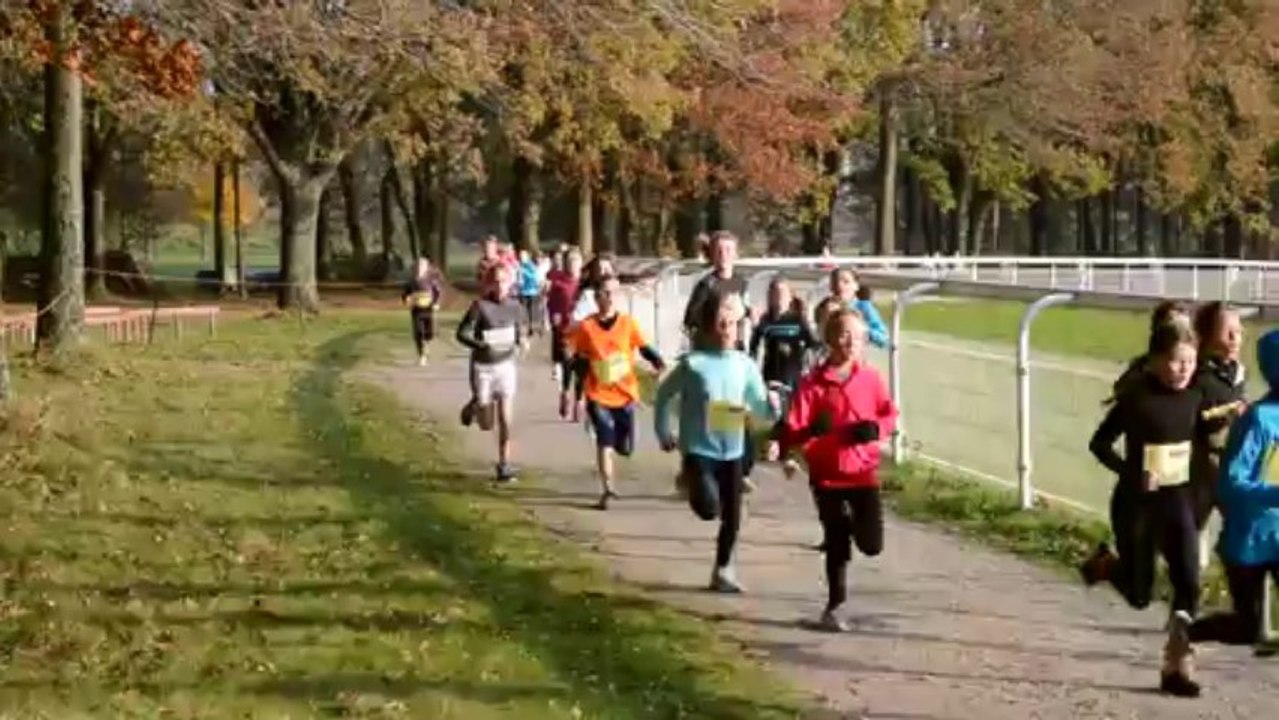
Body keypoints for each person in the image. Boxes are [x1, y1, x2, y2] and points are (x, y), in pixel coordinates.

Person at [1080, 321, 1228, 698]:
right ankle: (1106, 565)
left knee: (1189, 586)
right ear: (1156, 360)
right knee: (1140, 595)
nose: (1183, 370)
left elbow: (1210, 430)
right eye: (1176, 361)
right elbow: (1099, 444)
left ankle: (1176, 666)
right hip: (1136, 504)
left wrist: (1233, 418)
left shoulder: (1198, 395)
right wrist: (1132, 473)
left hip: (1177, 503)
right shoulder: (1135, 397)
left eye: (1190, 362)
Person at [778, 308, 896, 631]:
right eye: (843, 334)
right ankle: (835, 605)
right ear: (829, 338)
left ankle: (857, 527)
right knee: (836, 538)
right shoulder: (813, 384)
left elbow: (889, 414)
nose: (850, 342)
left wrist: (877, 429)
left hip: (863, 474)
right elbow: (792, 428)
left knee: (872, 544)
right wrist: (811, 431)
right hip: (827, 476)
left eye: (857, 337)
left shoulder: (870, 379)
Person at [654, 293, 777, 593]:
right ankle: (690, 480)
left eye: (732, 324)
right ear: (709, 327)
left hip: (731, 449)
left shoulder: (744, 365)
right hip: (698, 448)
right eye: (720, 324)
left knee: (733, 515)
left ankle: (723, 570)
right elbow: (663, 397)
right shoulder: (693, 364)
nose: (726, 330)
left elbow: (759, 406)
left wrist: (773, 407)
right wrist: (663, 431)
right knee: (709, 508)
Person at [1182, 328, 1279, 690]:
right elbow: (1231, 483)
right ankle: (1186, 630)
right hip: (1249, 540)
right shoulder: (1257, 420)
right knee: (1246, 629)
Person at [569, 275, 666, 509]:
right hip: (598, 393)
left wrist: (659, 363)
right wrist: (577, 396)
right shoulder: (586, 327)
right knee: (605, 440)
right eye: (606, 292)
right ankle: (608, 489)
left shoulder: (627, 323)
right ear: (597, 296)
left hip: (625, 394)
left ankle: (620, 450)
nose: (611, 297)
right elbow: (580, 364)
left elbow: (643, 348)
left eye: (615, 292)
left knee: (626, 447)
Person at [456, 263, 525, 484]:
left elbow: (520, 330)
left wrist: (522, 340)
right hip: (483, 368)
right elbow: (461, 334)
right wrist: (480, 344)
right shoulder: (479, 306)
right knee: (487, 424)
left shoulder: (515, 306)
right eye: (495, 281)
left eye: (504, 280)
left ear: (511, 282)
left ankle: (504, 465)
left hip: (506, 366)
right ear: (489, 283)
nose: (500, 285)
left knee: (506, 419)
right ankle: (475, 403)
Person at [1106, 301, 1193, 404]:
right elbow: (1121, 389)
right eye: (1173, 325)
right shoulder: (1143, 366)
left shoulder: (1200, 369)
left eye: (1184, 326)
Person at [813, 268, 887, 349]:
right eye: (835, 282)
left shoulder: (864, 307)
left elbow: (883, 339)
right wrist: (825, 317)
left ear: (856, 286)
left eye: (846, 282)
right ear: (831, 286)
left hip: (857, 357)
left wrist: (859, 328)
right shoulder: (823, 306)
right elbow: (819, 339)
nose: (839, 285)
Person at [547, 248, 584, 413]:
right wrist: (554, 317)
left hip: (583, 330)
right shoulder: (559, 284)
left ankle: (579, 400)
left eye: (576, 260)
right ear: (566, 263)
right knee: (568, 364)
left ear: (581, 263)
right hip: (566, 329)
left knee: (582, 367)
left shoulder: (585, 284)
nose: (573, 264)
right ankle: (565, 393)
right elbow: (551, 304)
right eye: (570, 261)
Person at [400, 257, 442, 367]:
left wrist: (436, 303)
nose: (420, 269)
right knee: (418, 332)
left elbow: (437, 293)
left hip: (428, 310)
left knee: (429, 333)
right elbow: (405, 295)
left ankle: (426, 344)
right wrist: (407, 300)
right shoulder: (411, 282)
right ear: (414, 269)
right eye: (418, 267)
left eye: (422, 267)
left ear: (427, 268)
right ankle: (422, 355)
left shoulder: (431, 281)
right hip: (416, 310)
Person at [517, 249, 542, 337]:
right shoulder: (520, 266)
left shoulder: (529, 266)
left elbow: (534, 278)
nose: (521, 258)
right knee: (526, 312)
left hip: (531, 292)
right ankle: (528, 329)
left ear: (527, 257)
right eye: (520, 256)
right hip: (525, 293)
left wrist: (524, 273)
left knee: (531, 312)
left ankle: (533, 329)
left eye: (523, 256)